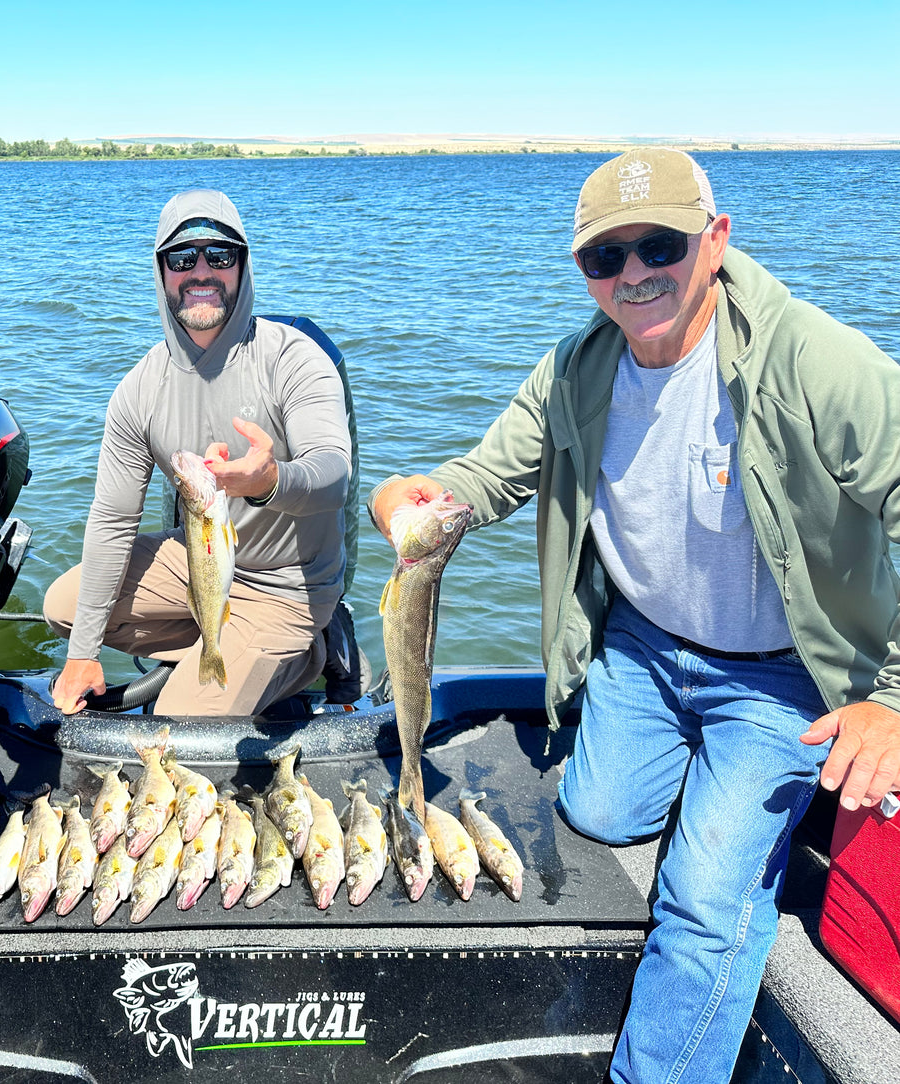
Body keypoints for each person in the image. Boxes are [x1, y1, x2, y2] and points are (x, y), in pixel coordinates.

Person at [371, 148, 900, 1083]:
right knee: (598, 812)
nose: (632, 274)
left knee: (701, 900)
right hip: (644, 649)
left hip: (782, 673)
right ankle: (715, 782)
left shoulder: (816, 361)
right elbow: (486, 478)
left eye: (658, 244)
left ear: (715, 240)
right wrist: (420, 498)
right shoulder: (578, 367)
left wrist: (891, 699)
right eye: (602, 258)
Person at [45, 189, 352, 716]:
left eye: (221, 255)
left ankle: (308, 652)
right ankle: (222, 649)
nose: (202, 271)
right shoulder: (139, 389)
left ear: (243, 264)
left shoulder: (294, 357)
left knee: (178, 721)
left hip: (288, 586)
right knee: (66, 608)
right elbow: (113, 520)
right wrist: (82, 655)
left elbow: (334, 474)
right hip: (201, 563)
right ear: (162, 271)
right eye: (183, 258)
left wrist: (269, 480)